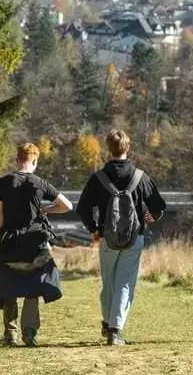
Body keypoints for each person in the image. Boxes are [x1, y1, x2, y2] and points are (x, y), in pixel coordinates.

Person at [77, 129, 167, 346]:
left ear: (109, 148)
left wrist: (94, 229)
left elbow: (82, 208)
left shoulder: (98, 178)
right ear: (128, 147)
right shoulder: (140, 177)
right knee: (125, 283)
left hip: (107, 238)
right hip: (134, 237)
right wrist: (152, 216)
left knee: (108, 282)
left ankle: (107, 322)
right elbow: (158, 205)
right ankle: (115, 330)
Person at [0, 142, 73, 347]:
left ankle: (10, 334)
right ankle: (29, 333)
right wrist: (46, 210)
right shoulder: (40, 183)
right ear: (34, 161)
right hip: (34, 242)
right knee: (33, 284)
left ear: (17, 160)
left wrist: (2, 233)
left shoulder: (4, 182)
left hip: (9, 239)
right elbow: (67, 206)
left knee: (7, 284)